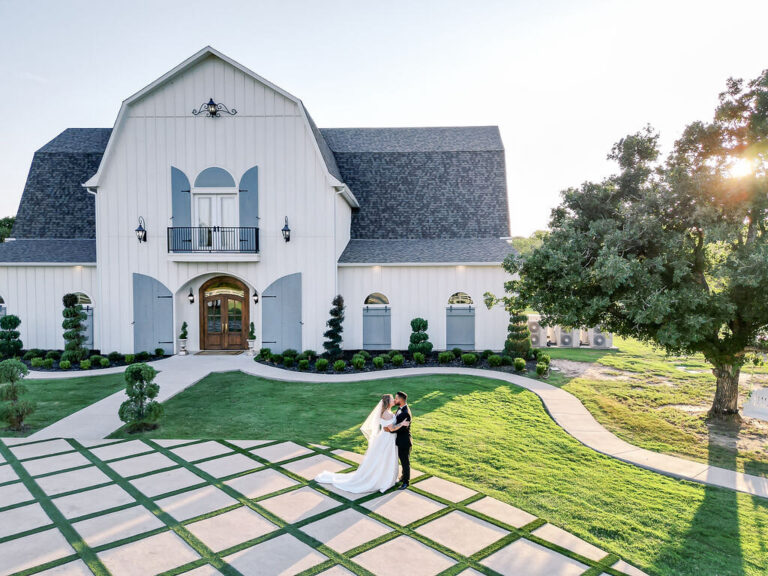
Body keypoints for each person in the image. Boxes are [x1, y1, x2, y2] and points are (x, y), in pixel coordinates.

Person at [315, 393, 409, 493]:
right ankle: (382, 479)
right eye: (391, 399)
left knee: (384, 458)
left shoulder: (388, 412)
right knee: (385, 458)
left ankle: (385, 477)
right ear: (387, 402)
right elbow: (391, 428)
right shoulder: (386, 413)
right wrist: (402, 424)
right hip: (387, 438)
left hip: (386, 438)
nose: (394, 400)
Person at [388, 391, 412, 489]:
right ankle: (403, 477)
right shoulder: (401, 408)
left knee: (405, 462)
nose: (395, 400)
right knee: (403, 461)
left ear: (401, 400)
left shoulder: (406, 413)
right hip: (400, 440)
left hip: (404, 442)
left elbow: (399, 429)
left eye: (396, 398)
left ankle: (406, 482)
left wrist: (390, 429)